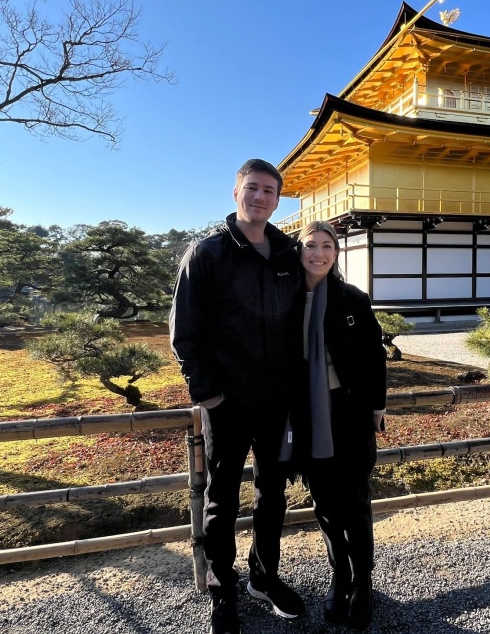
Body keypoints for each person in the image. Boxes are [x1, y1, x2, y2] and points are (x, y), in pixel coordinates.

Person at [170, 158, 305, 634]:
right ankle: (221, 588)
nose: (261, 197)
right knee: (221, 498)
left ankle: (263, 578)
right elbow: (184, 332)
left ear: (278, 197)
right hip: (226, 402)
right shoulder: (207, 254)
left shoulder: (289, 253)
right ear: (235, 193)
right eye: (253, 188)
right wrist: (207, 395)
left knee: (274, 492)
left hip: (278, 402)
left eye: (270, 191)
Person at [285, 220, 387, 630]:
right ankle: (339, 574)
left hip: (348, 410)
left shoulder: (352, 299)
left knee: (355, 500)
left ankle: (362, 579)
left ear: (336, 253)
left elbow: (374, 356)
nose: (319, 253)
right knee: (325, 503)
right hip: (305, 413)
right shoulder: (286, 300)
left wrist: (377, 405)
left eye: (328, 246)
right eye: (311, 245)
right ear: (300, 251)